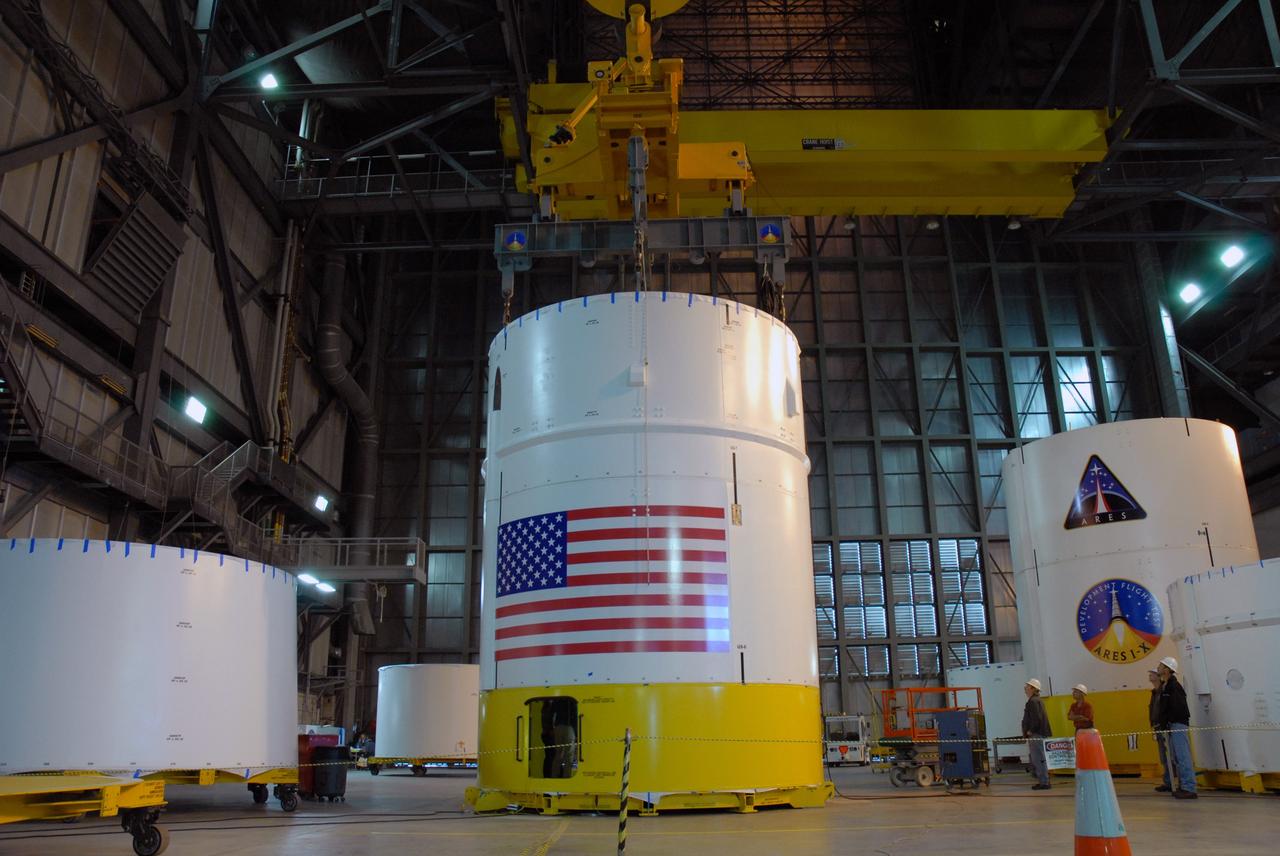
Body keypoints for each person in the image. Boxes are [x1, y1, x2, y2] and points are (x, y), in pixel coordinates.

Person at [1156, 656, 1197, 799]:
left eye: (1161, 665)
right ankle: (1184, 785)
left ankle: (1189, 787)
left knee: (1183, 756)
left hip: (1177, 724)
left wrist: (1169, 722)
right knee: (1177, 757)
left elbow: (1177, 708)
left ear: (1167, 670)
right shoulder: (1167, 685)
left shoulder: (1174, 686)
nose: (1158, 667)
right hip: (1172, 725)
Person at [1022, 678, 1052, 790]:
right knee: (1039, 757)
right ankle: (1043, 780)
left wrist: (1030, 730)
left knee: (1038, 758)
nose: (1025, 688)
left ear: (1033, 689)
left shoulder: (1033, 702)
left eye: (1028, 686)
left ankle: (1044, 782)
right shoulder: (1036, 700)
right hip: (1038, 733)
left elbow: (1036, 718)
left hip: (1036, 734)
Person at [1148, 668, 1172, 792]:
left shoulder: (1163, 690)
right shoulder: (1155, 692)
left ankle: (1172, 782)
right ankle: (1168, 781)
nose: (1149, 676)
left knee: (1169, 755)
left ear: (1158, 676)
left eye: (1152, 674)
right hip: (1158, 727)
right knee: (1163, 756)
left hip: (1164, 727)